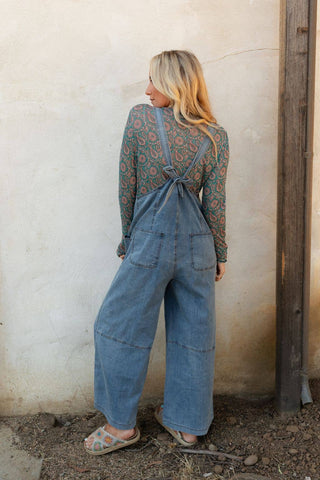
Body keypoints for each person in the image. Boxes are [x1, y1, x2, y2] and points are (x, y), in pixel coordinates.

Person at [84, 50, 229, 455]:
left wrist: (129, 239)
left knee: (117, 329)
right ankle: (188, 427)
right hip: (199, 246)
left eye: (154, 81)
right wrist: (220, 252)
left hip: (150, 242)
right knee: (193, 334)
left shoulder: (141, 120)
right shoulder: (216, 136)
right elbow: (214, 201)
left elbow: (126, 185)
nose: (147, 90)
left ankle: (120, 427)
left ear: (175, 84)